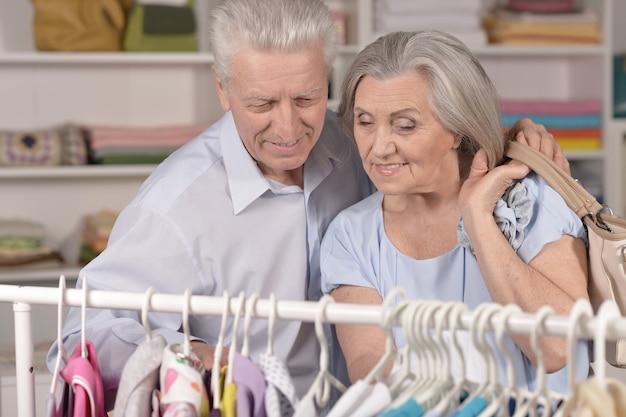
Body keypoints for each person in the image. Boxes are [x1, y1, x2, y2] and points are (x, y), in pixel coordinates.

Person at [47, 0, 572, 410]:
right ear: (223, 89)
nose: (288, 128)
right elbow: (77, 337)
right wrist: (193, 355)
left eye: (306, 98)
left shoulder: (351, 145)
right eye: (260, 104)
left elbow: (426, 137)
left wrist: (511, 142)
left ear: (328, 79)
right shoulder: (176, 207)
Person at [320, 30, 590, 396]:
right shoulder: (350, 235)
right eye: (365, 121)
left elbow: (557, 349)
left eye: (405, 125)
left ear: (457, 130)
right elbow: (370, 368)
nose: (379, 147)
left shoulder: (533, 201)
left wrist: (477, 217)